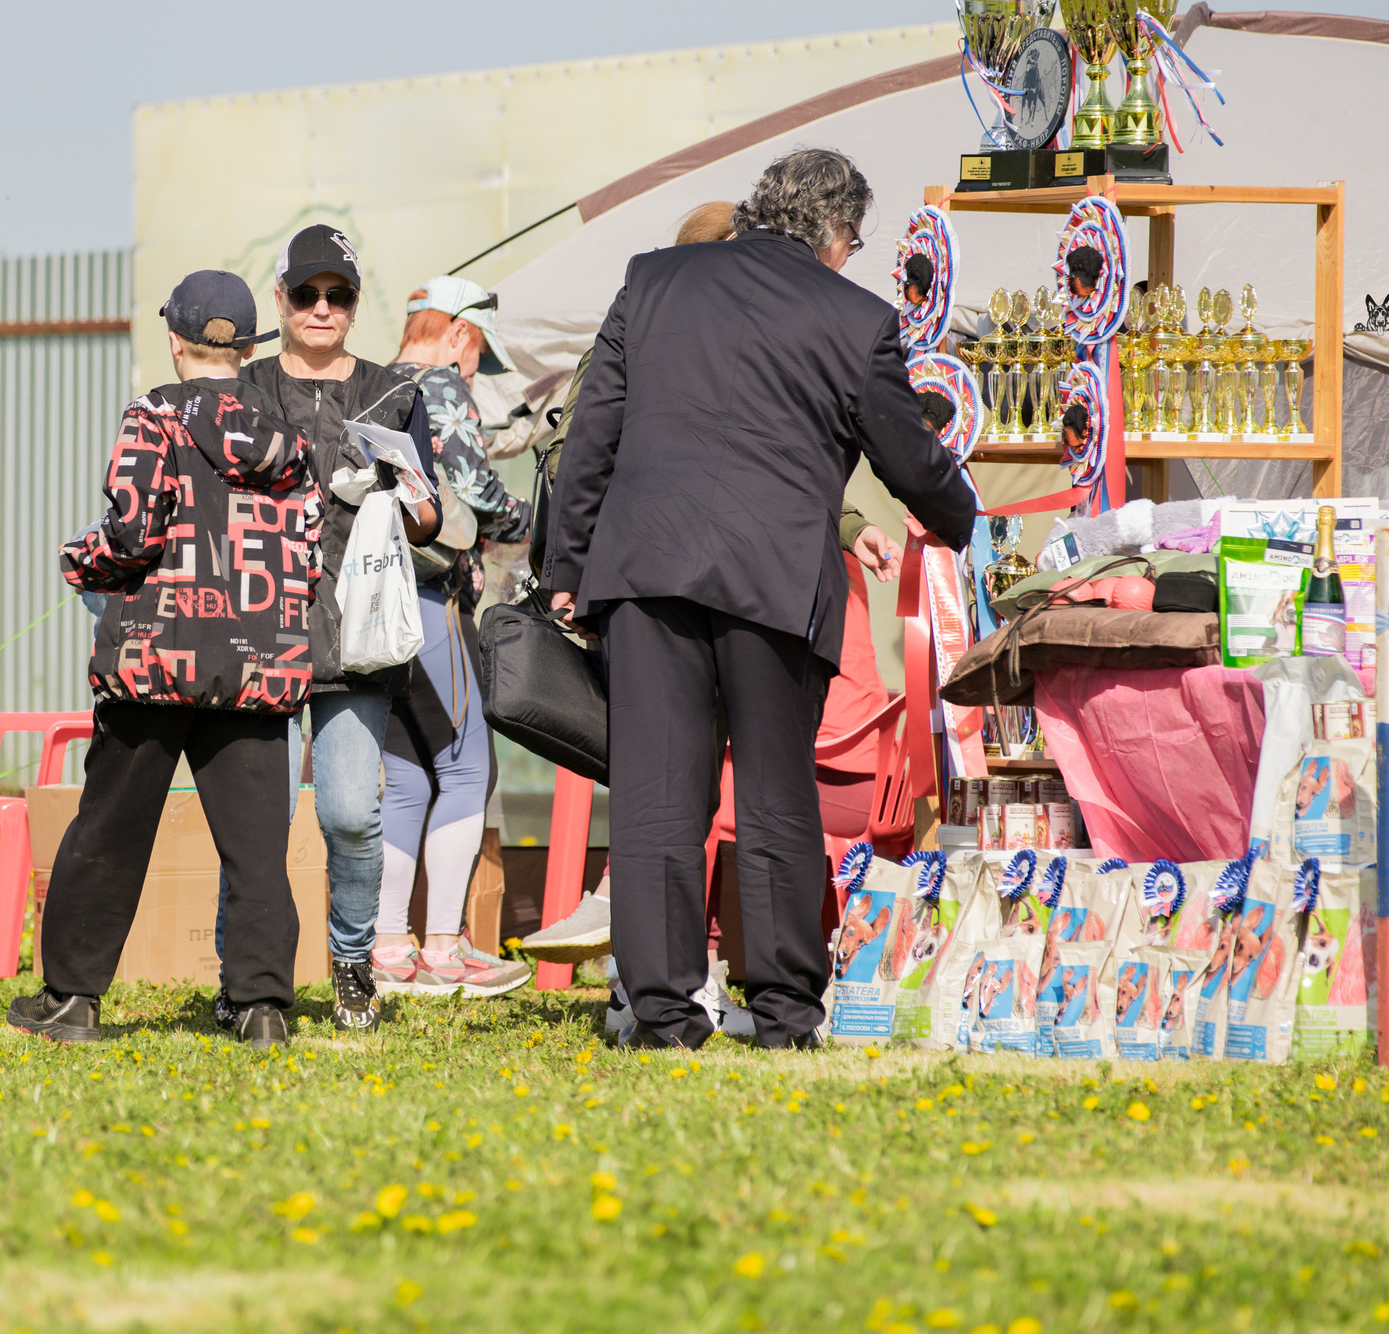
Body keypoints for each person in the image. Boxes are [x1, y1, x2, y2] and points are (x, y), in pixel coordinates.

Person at [545, 147, 975, 1050]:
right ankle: (784, 1013)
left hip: (648, 571)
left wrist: (566, 567)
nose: (852, 258)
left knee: (659, 797)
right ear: (832, 232)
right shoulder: (854, 318)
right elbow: (905, 454)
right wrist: (960, 511)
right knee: (780, 796)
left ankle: (662, 1015)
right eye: (854, 242)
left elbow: (595, 433)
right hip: (776, 579)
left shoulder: (653, 281)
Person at [12, 271, 324, 1046]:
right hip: (257, 666)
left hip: (156, 658)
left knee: (109, 834)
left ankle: (72, 1001)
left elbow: (131, 534)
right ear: (250, 346)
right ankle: (260, 1009)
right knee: (256, 850)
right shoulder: (289, 440)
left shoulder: (152, 417)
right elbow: (309, 556)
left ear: (176, 341)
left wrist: (77, 560)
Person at [235, 224, 439, 1031]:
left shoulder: (394, 392)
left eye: (339, 294)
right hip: (261, 632)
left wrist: (408, 498)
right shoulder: (244, 389)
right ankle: (247, 979)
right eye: (306, 293)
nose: (322, 308)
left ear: (355, 303)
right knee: (258, 822)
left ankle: (353, 966)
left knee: (351, 815)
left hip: (359, 639)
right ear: (280, 299)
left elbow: (431, 518)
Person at [370, 275, 533, 998]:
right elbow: (474, 489)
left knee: (406, 775)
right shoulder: (443, 385)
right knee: (468, 769)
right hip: (430, 599)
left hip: (373, 610)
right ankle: (441, 948)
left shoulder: (372, 386)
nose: (475, 373)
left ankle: (386, 946)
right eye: (478, 356)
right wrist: (534, 524)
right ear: (460, 334)